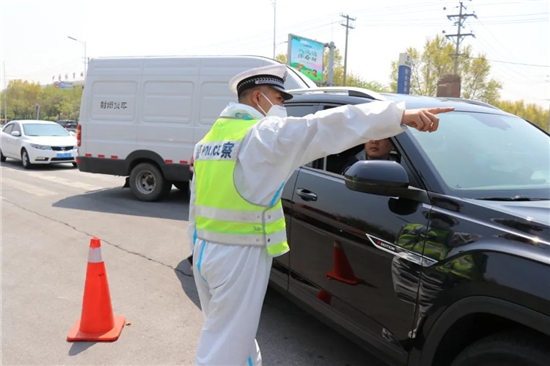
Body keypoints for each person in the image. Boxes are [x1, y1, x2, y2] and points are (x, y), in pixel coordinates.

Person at [187, 64, 453, 366]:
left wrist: (195, 247)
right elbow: (325, 126)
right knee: (224, 349)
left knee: (232, 336)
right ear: (258, 98)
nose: (282, 107)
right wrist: (397, 116)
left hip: (206, 252)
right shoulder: (262, 136)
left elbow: (195, 204)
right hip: (238, 257)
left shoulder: (210, 140)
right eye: (278, 98)